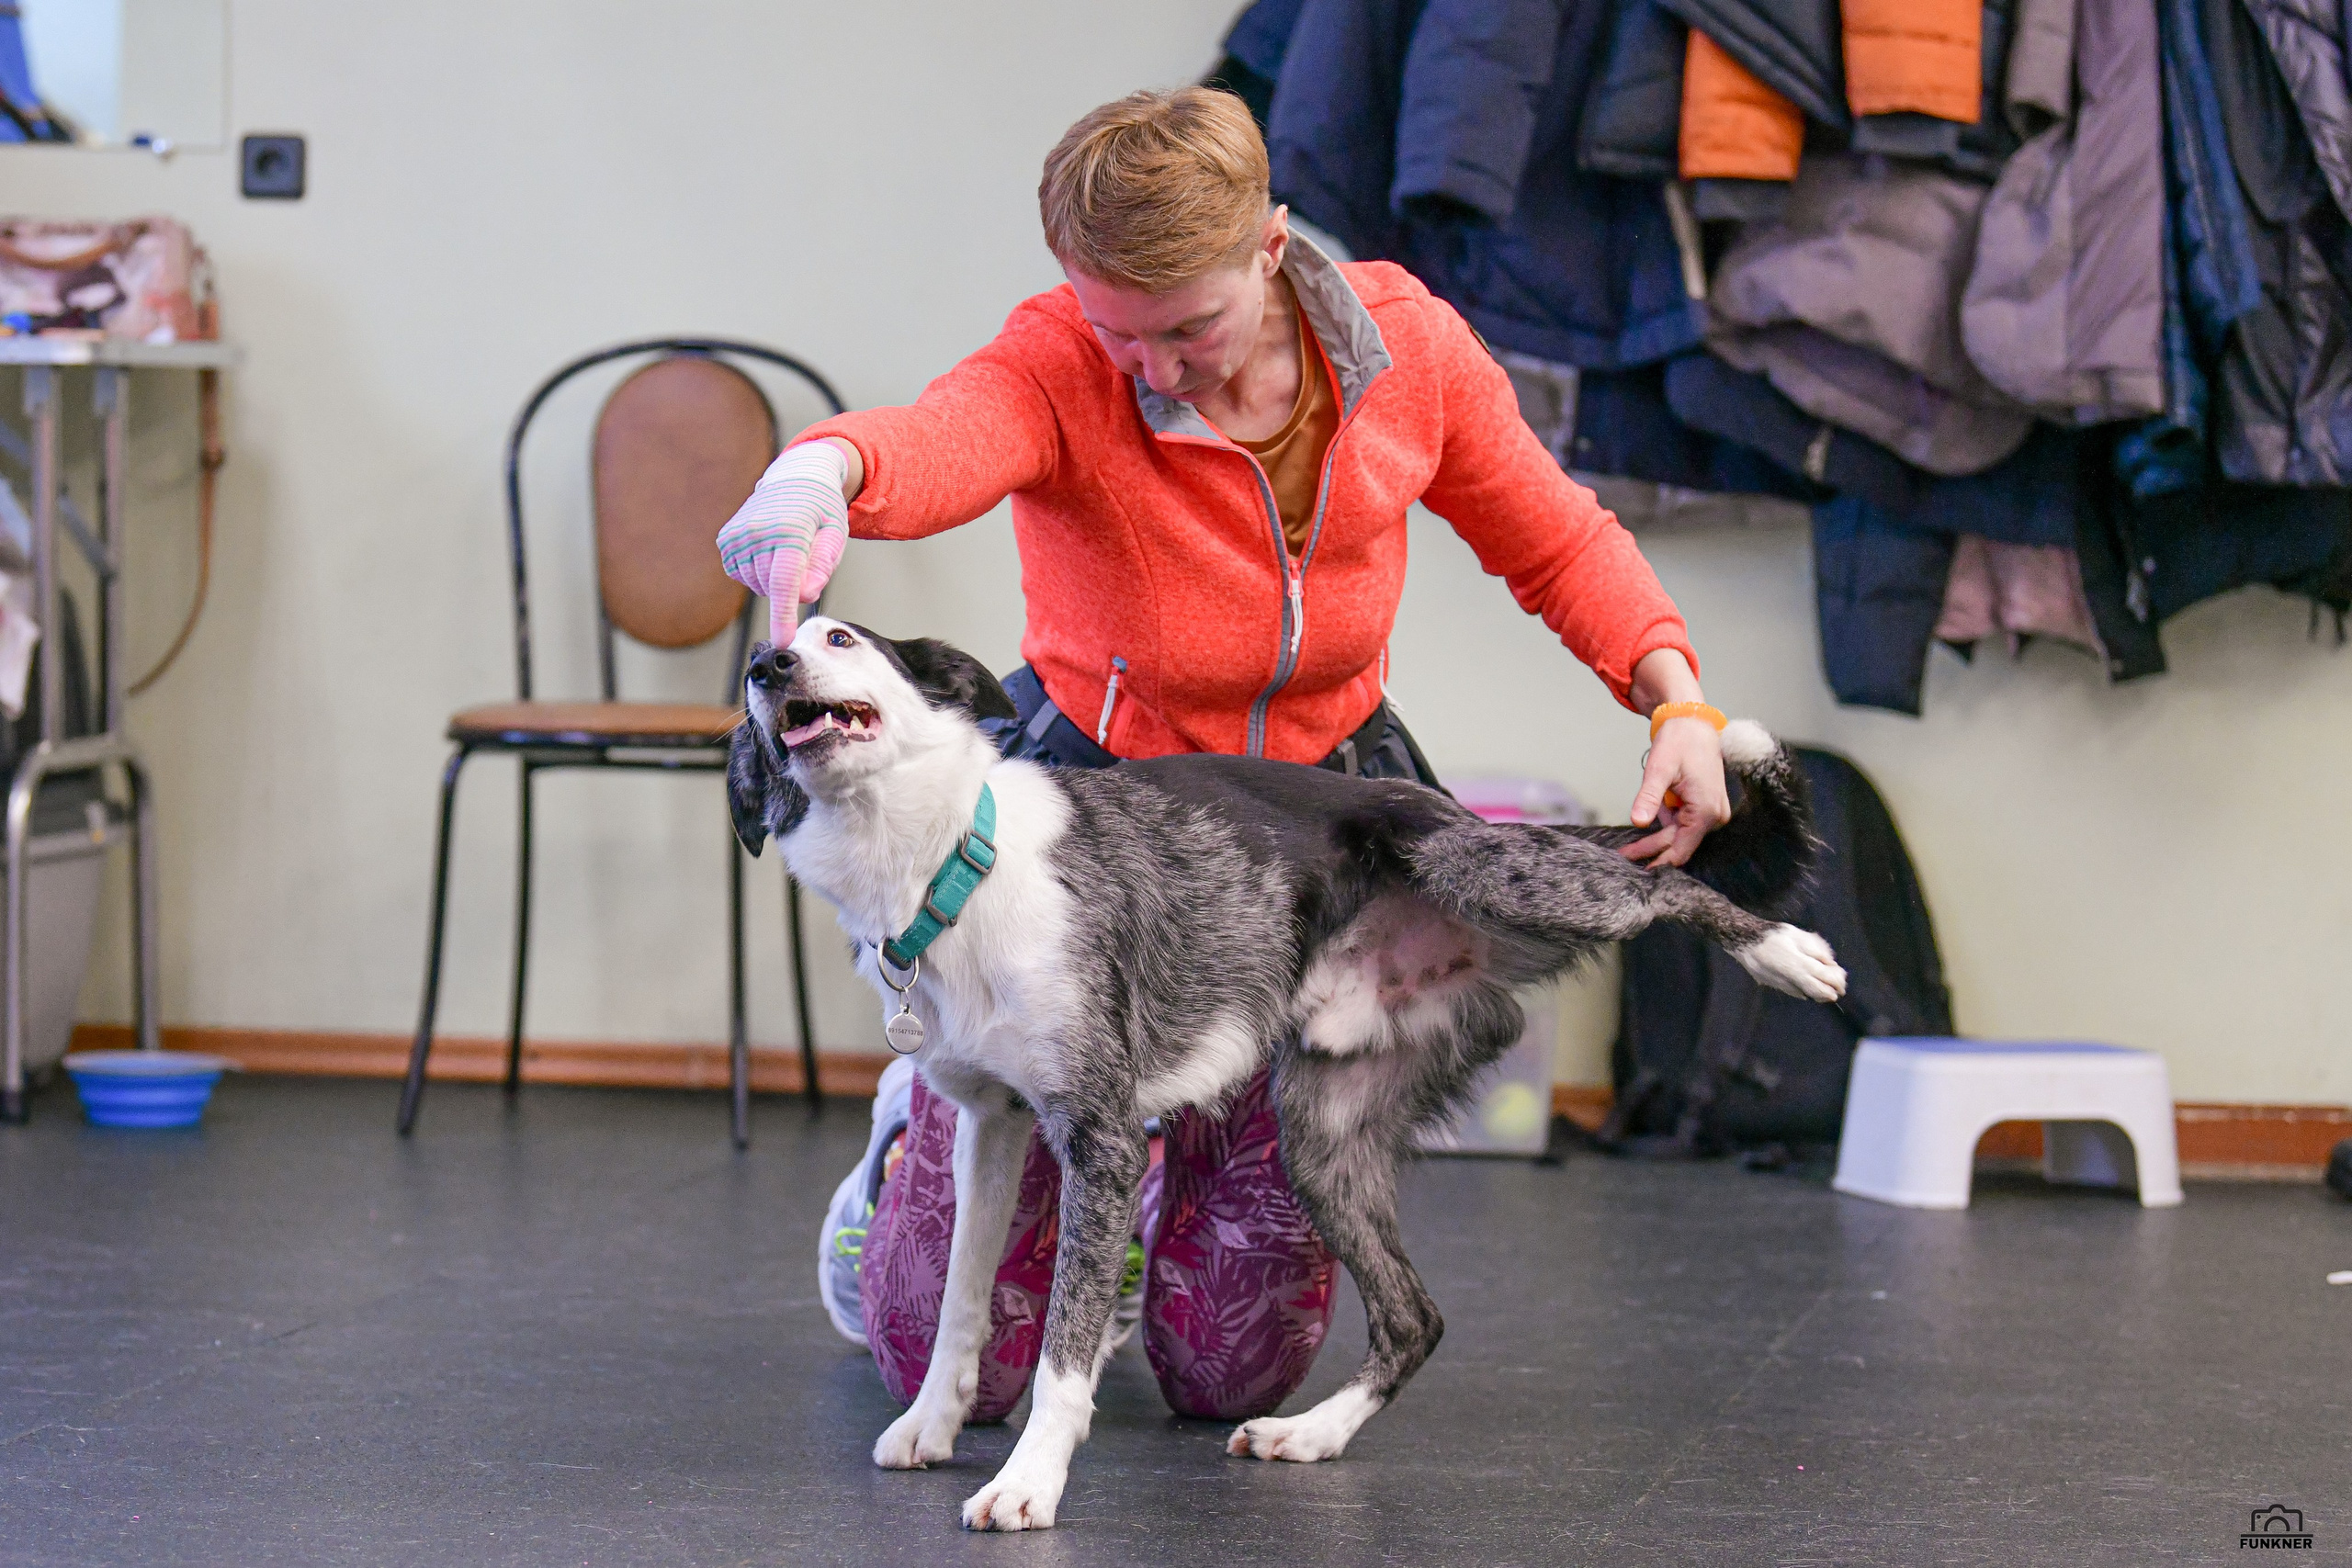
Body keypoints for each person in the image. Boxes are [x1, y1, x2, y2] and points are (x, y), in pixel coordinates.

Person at [716, 86, 1734, 1426]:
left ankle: (1143, 1175)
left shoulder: (1404, 348)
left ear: (1273, 248)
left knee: (1227, 1368)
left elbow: (1553, 538)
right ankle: (931, 1125)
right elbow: (944, 437)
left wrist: (1675, 701)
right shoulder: (1060, 363)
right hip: (1094, 800)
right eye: (1116, 330)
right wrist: (825, 470)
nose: (1154, 368)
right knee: (941, 1366)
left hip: (1316, 829)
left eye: (1189, 327)